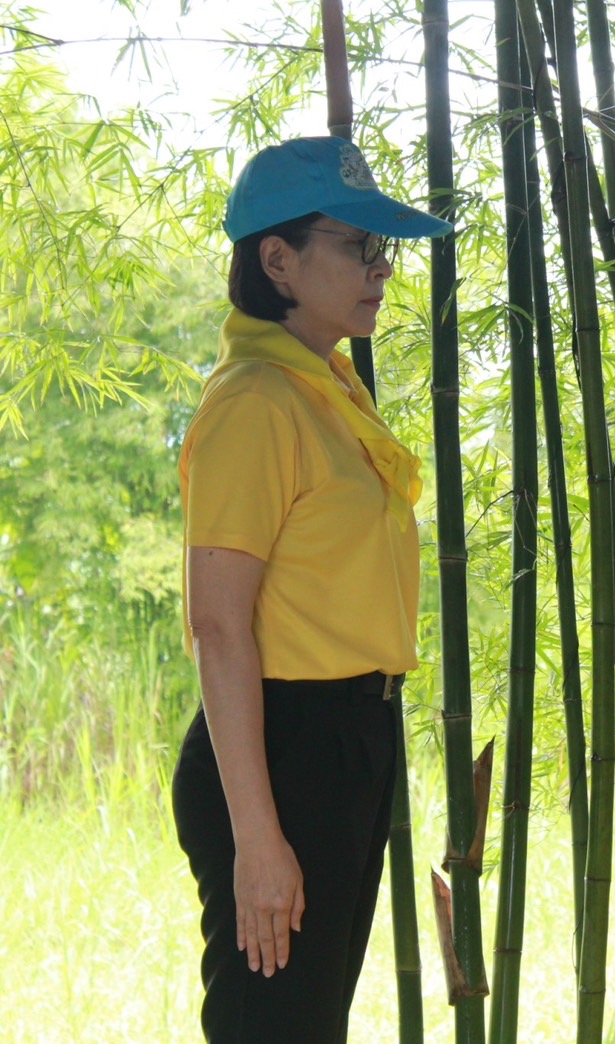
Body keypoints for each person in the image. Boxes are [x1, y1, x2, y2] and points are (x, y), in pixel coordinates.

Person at [170, 136, 450, 1042]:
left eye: (383, 249)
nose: (379, 270)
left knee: (304, 1025)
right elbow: (218, 626)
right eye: (356, 246)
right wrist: (259, 837)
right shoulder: (254, 399)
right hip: (282, 744)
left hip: (344, 738)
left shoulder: (321, 383)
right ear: (278, 259)